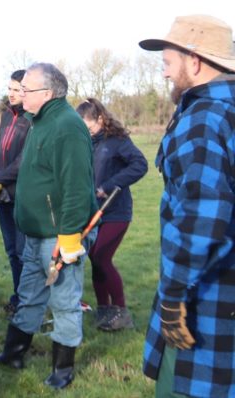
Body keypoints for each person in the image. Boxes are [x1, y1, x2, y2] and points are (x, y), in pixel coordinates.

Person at [0, 62, 96, 390]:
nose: (20, 94)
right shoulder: (38, 121)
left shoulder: (67, 126)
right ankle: (12, 354)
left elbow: (76, 185)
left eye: (26, 89)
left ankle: (63, 370)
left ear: (46, 93)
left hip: (58, 236)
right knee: (29, 294)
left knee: (63, 300)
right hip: (33, 233)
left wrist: (70, 237)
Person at [138, 15, 235, 398]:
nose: (164, 74)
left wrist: (173, 295)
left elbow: (200, 215)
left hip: (206, 304)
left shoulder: (204, 119)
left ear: (194, 62)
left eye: (167, 63)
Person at [75, 97, 148, 332]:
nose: (87, 132)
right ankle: (104, 310)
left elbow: (140, 165)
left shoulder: (117, 141)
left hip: (116, 210)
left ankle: (121, 312)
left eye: (89, 127)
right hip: (94, 210)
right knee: (95, 259)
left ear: (100, 118)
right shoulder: (86, 143)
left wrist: (109, 185)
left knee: (101, 257)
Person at [0, 69, 32, 317]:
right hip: (3, 195)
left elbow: (25, 160)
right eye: (9, 88)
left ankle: (28, 302)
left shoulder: (33, 120)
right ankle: (19, 297)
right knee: (12, 251)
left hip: (23, 195)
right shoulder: (5, 116)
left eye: (17, 90)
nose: (11, 94)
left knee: (24, 253)